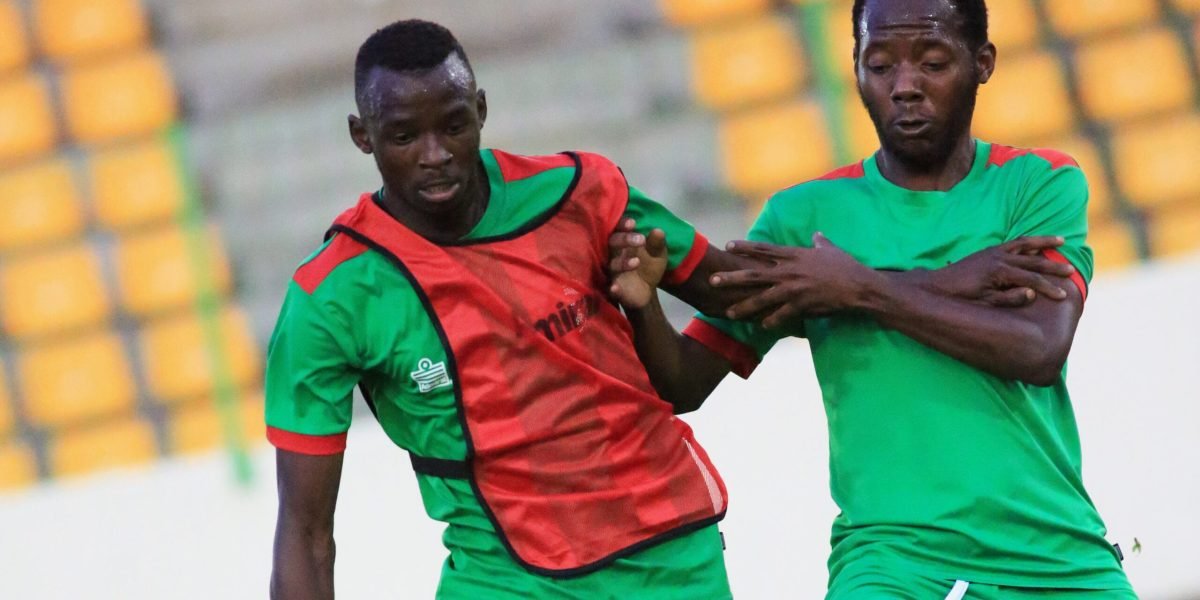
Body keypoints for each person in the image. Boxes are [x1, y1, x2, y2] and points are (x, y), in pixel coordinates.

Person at [266, 15, 1079, 600]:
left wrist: (647, 303)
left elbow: (745, 294)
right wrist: (955, 278)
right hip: (501, 571)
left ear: (482, 109)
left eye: (452, 124)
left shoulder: (584, 191)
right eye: (404, 135)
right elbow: (306, 531)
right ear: (361, 137)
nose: (435, 154)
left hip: (669, 556)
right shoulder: (332, 298)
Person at [608, 0, 1136, 598]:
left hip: (1051, 550)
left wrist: (857, 288)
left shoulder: (1039, 183)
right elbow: (685, 383)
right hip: (889, 557)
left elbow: (1037, 347)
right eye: (879, 65)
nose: (905, 87)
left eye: (933, 62)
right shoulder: (802, 218)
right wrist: (643, 302)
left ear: (983, 62)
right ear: (855, 69)